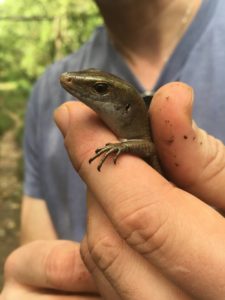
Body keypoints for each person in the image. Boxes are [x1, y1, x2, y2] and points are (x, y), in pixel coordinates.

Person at [2, 0, 225, 298]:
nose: (70, 81)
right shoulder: (44, 94)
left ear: (125, 104)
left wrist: (121, 147)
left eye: (99, 89)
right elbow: (35, 249)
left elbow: (146, 146)